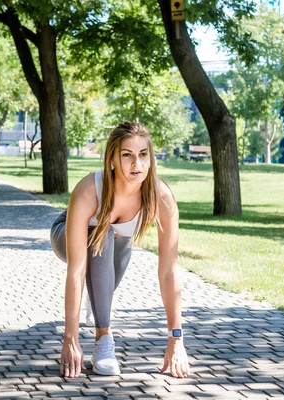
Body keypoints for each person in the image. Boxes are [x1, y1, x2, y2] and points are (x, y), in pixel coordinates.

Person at [50, 122, 189, 379]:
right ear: (112, 159)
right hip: (66, 234)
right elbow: (77, 270)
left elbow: (169, 272)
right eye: (127, 155)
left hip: (115, 241)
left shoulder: (162, 198)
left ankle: (98, 303)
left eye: (143, 154)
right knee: (102, 234)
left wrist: (176, 339)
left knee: (110, 241)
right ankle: (104, 341)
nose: (137, 163)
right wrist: (70, 338)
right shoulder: (89, 190)